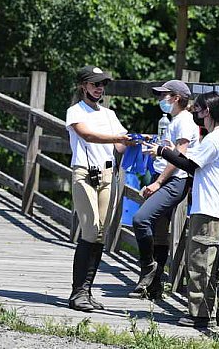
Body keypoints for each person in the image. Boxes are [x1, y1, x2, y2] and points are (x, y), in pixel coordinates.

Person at [146, 91, 219, 328]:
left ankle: (200, 315)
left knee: (200, 263)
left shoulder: (215, 139)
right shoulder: (215, 137)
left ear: (207, 112)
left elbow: (189, 164)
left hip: (209, 209)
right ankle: (202, 313)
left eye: (197, 110)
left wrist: (162, 152)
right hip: (206, 207)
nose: (194, 114)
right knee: (200, 261)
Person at [66, 65, 131, 311]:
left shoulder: (109, 114)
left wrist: (136, 142)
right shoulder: (75, 112)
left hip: (107, 173)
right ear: (84, 86)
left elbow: (122, 143)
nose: (99, 88)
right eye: (95, 84)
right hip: (84, 173)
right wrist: (119, 139)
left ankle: (87, 290)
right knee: (90, 230)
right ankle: (77, 292)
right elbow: (87, 136)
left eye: (102, 84)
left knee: (102, 232)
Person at [129, 80, 199, 300]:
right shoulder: (173, 120)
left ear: (176, 98)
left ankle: (148, 267)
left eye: (164, 95)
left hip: (174, 181)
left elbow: (178, 156)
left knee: (140, 220)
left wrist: (158, 182)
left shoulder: (185, 121)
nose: (161, 100)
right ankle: (154, 286)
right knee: (160, 231)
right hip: (164, 178)